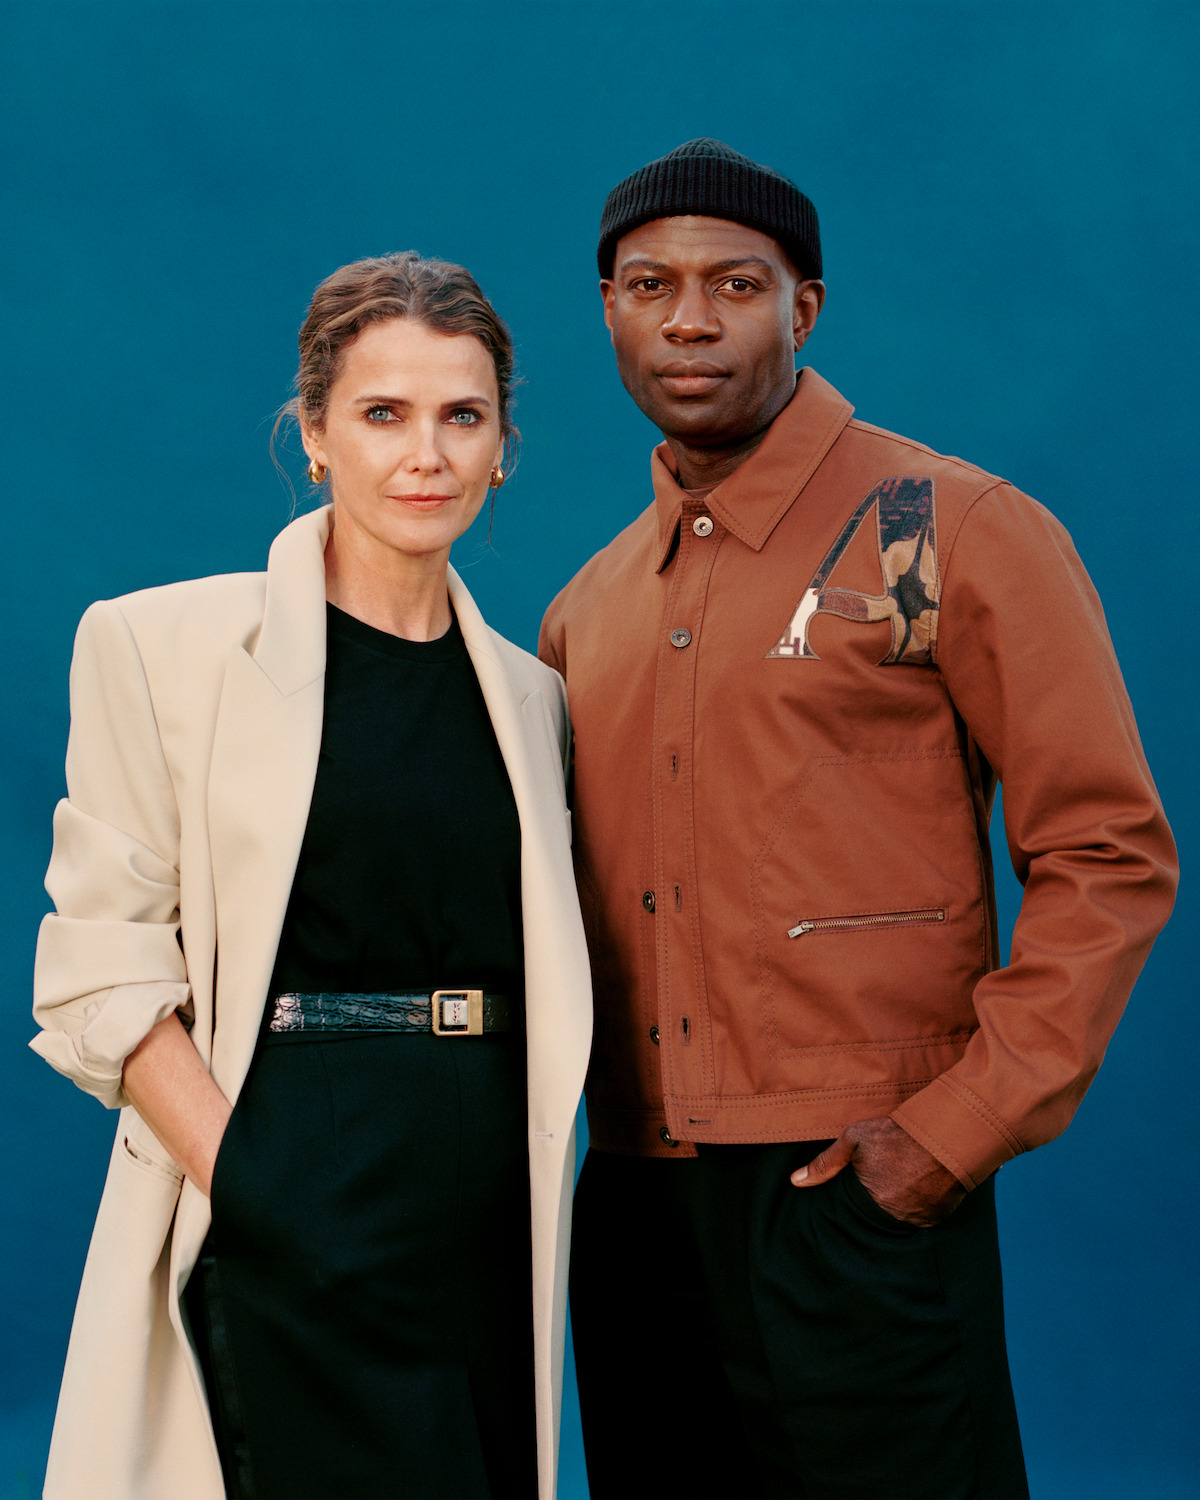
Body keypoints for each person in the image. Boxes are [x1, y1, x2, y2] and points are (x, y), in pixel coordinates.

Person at [539, 139, 1178, 1500]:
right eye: (649, 284)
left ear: (804, 307)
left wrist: (952, 1133)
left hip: (855, 1193)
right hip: (636, 1209)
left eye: (735, 283)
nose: (691, 319)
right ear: (607, 310)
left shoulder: (945, 528)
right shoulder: (586, 612)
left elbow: (1106, 853)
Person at [32, 251, 591, 1500]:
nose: (427, 455)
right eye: (383, 414)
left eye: (463, 416)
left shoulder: (537, 700)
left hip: (491, 1189)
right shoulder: (161, 644)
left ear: (506, 445)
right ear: (316, 435)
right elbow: (98, 974)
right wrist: (256, 1188)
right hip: (290, 1163)